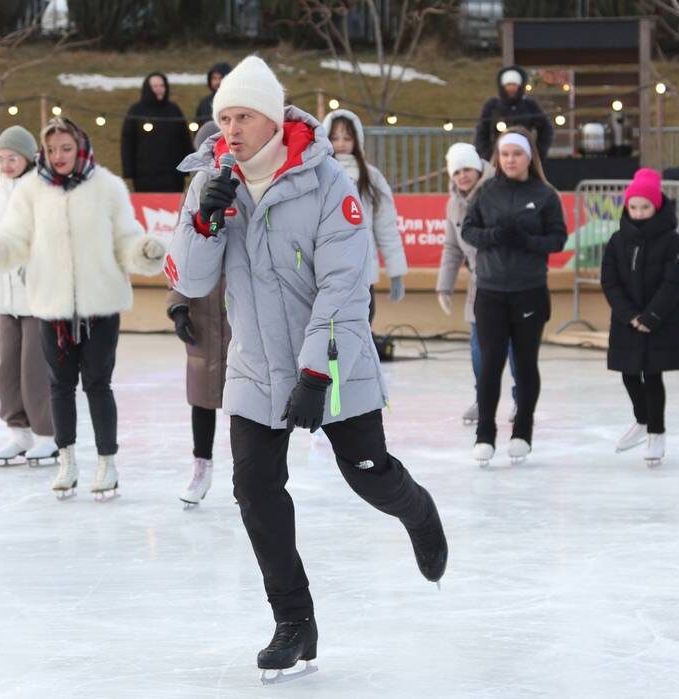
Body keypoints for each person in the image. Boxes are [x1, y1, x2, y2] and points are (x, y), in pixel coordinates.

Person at [165, 55, 447, 677]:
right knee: (255, 490)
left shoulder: (327, 184)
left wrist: (316, 374)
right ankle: (294, 620)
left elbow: (343, 289)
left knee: (367, 474)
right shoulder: (211, 180)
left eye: (243, 116)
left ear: (271, 118)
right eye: (224, 117)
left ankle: (417, 509)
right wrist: (204, 222)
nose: (231, 129)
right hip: (254, 366)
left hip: (333, 358)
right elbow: (188, 277)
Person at [0, 117, 167, 499]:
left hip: (100, 305)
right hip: (53, 305)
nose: (59, 157)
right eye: (52, 149)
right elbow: (14, 239)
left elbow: (125, 238)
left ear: (80, 147)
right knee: (59, 387)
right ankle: (67, 459)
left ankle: (107, 462)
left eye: (66, 149)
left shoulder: (106, 187)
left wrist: (143, 252)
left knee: (97, 384)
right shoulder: (31, 191)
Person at [461, 127, 567, 466]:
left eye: (516, 154)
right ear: (497, 158)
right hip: (490, 290)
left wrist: (526, 240)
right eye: (505, 154)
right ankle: (485, 434)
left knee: (524, 363)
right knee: (490, 365)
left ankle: (522, 430)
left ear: (528, 158)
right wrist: (494, 235)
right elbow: (469, 230)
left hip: (529, 291)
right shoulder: (485, 192)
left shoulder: (545, 194)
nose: (510, 160)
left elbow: (557, 239)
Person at [600, 168, 679, 464]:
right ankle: (642, 420)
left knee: (652, 376)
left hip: (660, 321)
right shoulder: (617, 240)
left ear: (656, 206)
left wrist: (651, 316)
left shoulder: (670, 240)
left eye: (645, 207)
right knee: (629, 374)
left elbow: (673, 281)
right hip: (627, 321)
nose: (639, 213)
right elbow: (610, 280)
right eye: (633, 207)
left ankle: (656, 432)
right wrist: (630, 316)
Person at [166, 119, 231, 506]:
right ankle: (201, 465)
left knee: (248, 400)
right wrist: (178, 307)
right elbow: (180, 252)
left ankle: (250, 472)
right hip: (204, 308)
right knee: (202, 396)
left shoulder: (247, 188)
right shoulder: (193, 193)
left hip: (240, 308)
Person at [0, 126, 57, 468]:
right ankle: (19, 431)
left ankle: (46, 434)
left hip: (33, 293)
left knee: (34, 368)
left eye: (13, 158)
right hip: (3, 292)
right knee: (7, 368)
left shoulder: (40, 188)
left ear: (28, 158)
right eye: (1, 158)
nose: (6, 164)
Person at [435, 142, 519, 425]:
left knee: (514, 346)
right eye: (457, 172)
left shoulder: (499, 192)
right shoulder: (453, 204)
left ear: (478, 168)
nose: (463, 176)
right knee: (478, 347)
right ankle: (483, 400)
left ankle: (521, 399)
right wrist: (444, 287)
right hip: (479, 285)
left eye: (467, 169)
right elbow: (452, 248)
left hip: (509, 280)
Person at [321, 109, 407, 322]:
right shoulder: (317, 173)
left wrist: (396, 272)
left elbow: (386, 227)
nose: (340, 143)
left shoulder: (372, 177)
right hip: (325, 274)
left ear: (357, 141)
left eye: (347, 138)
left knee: (361, 332)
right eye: (334, 137)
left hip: (362, 274)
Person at [121, 71, 194, 192]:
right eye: (155, 86)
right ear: (147, 88)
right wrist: (129, 172)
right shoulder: (136, 111)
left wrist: (189, 167)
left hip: (173, 175)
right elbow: (128, 143)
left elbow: (185, 139)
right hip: (144, 175)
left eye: (162, 85)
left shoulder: (174, 110)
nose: (159, 89)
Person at [474, 65, 552, 164]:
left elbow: (546, 129)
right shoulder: (492, 106)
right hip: (496, 159)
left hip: (525, 158)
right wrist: (487, 154)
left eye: (514, 85)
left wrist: (537, 153)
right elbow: (481, 132)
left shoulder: (529, 105)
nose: (511, 88)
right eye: (508, 85)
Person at [194, 61, 232, 126]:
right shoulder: (205, 102)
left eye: (221, 78)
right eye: (214, 78)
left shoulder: (235, 100)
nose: (217, 82)